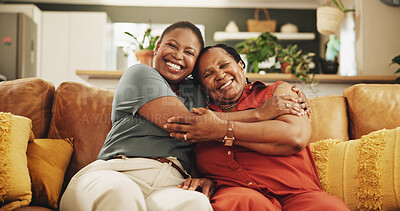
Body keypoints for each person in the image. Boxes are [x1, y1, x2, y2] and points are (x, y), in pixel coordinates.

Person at [60, 21, 308, 211]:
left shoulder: (201, 92)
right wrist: (260, 114)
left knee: (196, 205)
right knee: (121, 194)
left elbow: (228, 106)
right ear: (157, 48)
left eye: (189, 52)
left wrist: (294, 94)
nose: (178, 56)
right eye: (172, 45)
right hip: (117, 172)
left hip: (172, 183)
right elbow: (187, 126)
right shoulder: (140, 76)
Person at [164, 44, 350, 210]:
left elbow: (295, 137)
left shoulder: (277, 92)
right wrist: (201, 178)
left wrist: (222, 130)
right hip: (238, 195)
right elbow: (191, 157)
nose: (219, 75)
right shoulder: (200, 117)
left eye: (224, 65)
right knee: (241, 201)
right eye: (208, 74)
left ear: (241, 65)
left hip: (298, 193)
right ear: (203, 88)